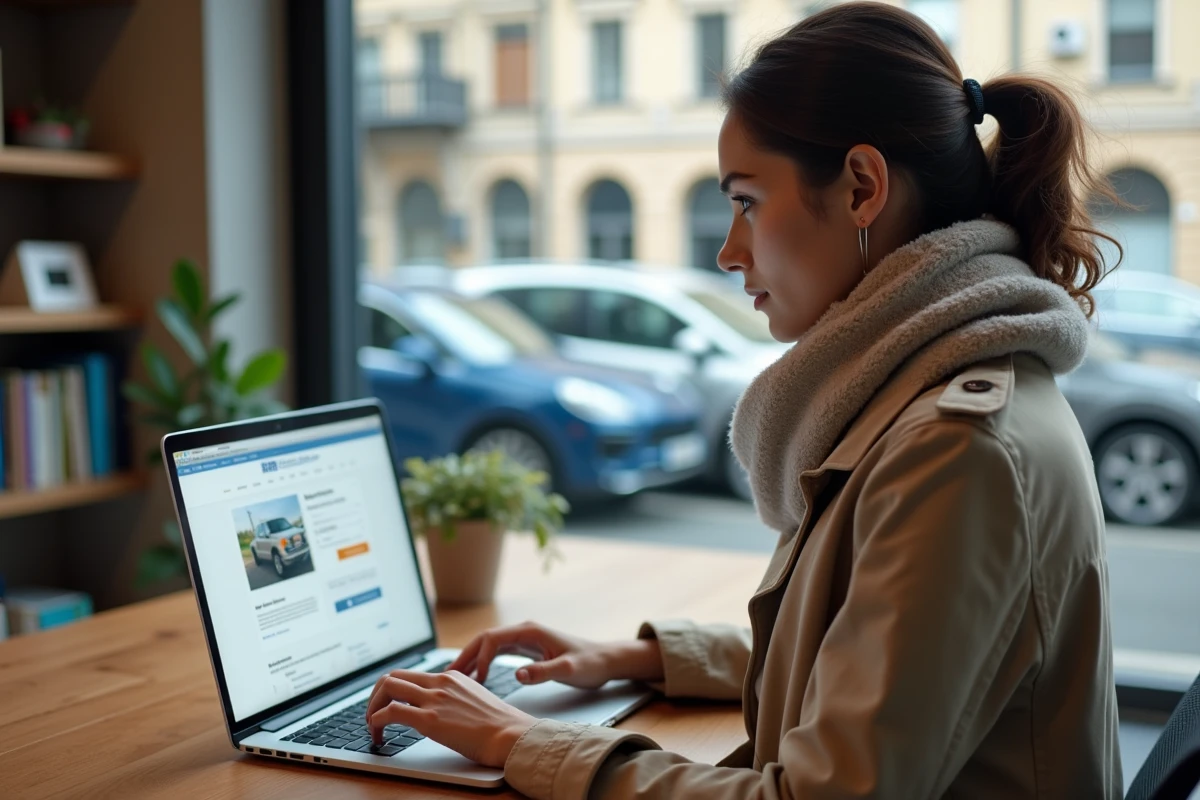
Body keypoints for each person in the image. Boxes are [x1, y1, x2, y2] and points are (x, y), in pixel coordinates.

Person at [363, 3, 1123, 797]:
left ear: (863, 187)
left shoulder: (956, 450)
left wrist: (526, 742)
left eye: (747, 202)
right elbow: (869, 660)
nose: (729, 252)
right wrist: (649, 659)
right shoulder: (925, 397)